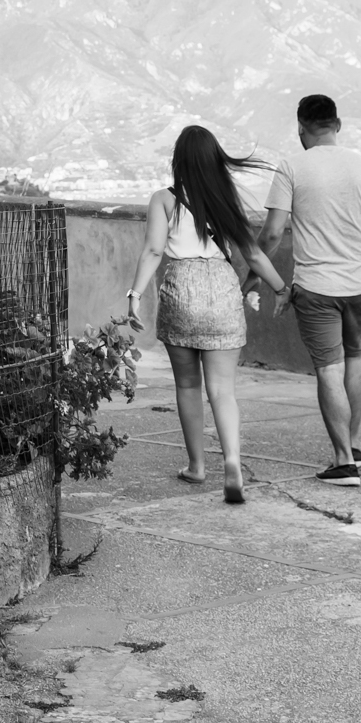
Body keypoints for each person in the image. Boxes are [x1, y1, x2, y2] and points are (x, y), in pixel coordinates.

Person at [256, 94, 361, 489]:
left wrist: (254, 273)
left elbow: (274, 232)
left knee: (329, 368)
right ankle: (354, 446)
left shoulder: (291, 166)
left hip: (316, 287)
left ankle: (343, 462)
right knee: (355, 358)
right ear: (337, 124)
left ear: (300, 126)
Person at [126, 126, 291, 505]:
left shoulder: (163, 200)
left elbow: (153, 252)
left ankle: (197, 466)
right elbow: (253, 255)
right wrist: (281, 288)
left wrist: (134, 295)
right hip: (221, 287)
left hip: (182, 288)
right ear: (215, 160)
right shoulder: (224, 200)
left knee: (188, 386)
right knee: (223, 391)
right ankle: (232, 461)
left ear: (178, 161)